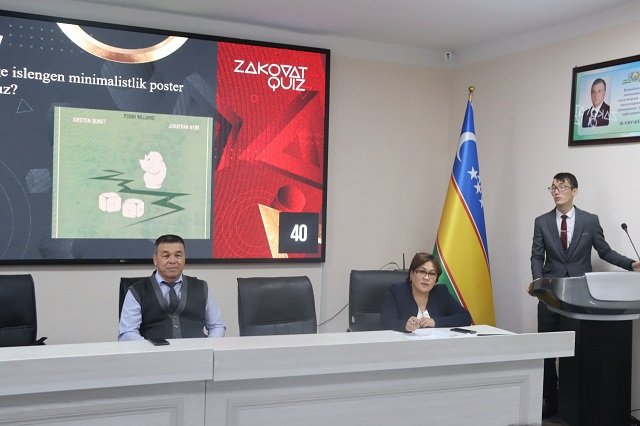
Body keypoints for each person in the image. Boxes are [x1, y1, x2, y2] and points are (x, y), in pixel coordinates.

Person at [530, 172, 640, 417]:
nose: (556, 191)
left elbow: (605, 252)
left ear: (574, 191)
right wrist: (538, 282)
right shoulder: (542, 222)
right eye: (553, 187)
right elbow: (537, 256)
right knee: (547, 351)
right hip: (549, 296)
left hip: (580, 299)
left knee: (579, 351)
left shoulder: (590, 221)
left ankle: (577, 400)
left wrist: (632, 264)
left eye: (562, 187)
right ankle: (550, 399)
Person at [118, 234, 226, 341]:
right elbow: (127, 333)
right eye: (166, 256)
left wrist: (208, 346)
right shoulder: (137, 291)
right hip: (153, 351)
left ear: (184, 258)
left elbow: (217, 326)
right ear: (155, 259)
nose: (173, 261)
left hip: (197, 351)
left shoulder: (201, 287)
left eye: (178, 255)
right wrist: (151, 349)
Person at [380, 252, 472, 332]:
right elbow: (386, 321)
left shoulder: (441, 293)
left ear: (436, 280)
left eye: (432, 273)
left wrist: (434, 322)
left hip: (436, 344)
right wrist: (405, 325)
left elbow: (465, 317)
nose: (426, 278)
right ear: (411, 274)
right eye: (422, 271)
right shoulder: (396, 292)